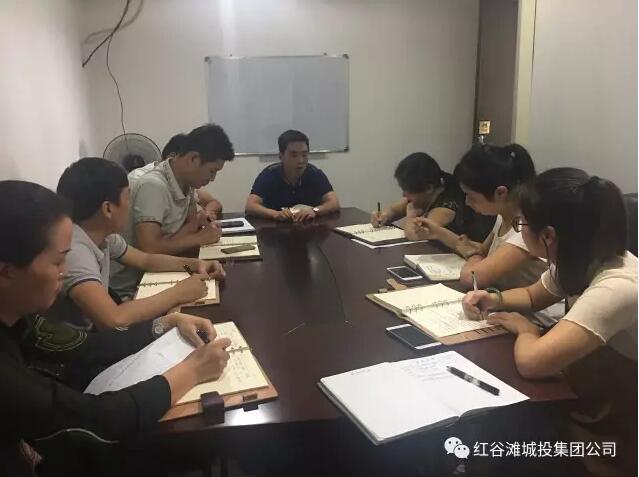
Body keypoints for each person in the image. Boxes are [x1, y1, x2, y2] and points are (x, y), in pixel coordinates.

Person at [0, 180, 231, 476]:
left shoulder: (20, 317)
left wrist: (165, 323)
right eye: (58, 262)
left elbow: (85, 345)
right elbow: (95, 420)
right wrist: (192, 371)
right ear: (5, 271)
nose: (65, 272)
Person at [461, 168, 637, 476]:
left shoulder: (617, 286)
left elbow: (532, 362)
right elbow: (532, 296)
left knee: (499, 434)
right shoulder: (577, 258)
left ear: (548, 235)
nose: (519, 230)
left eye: (522, 224)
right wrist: (493, 299)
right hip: (588, 395)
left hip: (616, 432)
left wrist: (526, 331)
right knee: (496, 425)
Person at [52, 157, 225, 329]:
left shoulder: (104, 236)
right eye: (128, 198)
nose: (130, 206)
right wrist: (179, 293)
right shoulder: (75, 250)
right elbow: (114, 319)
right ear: (108, 209)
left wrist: (196, 264)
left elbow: (146, 260)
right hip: (87, 340)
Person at [111, 124, 234, 298]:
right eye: (212, 171)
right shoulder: (153, 185)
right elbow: (150, 249)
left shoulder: (186, 183)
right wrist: (199, 238)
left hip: (164, 269)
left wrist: (197, 227)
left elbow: (188, 230)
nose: (212, 178)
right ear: (193, 159)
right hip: (134, 287)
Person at [411, 143, 546, 292]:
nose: (467, 202)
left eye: (471, 196)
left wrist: (473, 255)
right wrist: (437, 232)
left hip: (527, 307)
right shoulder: (504, 216)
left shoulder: (524, 231)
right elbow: (481, 250)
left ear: (500, 193)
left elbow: (471, 278)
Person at [245, 129, 340, 222]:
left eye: (304, 155)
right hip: (277, 228)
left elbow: (334, 202)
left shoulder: (314, 173)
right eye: (294, 155)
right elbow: (250, 206)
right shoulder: (270, 174)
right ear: (281, 156)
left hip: (308, 227)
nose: (300, 161)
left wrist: (315, 211)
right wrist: (274, 214)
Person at [370, 152, 466, 240]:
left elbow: (415, 235)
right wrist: (383, 216)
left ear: (428, 188)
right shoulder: (423, 196)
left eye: (408, 191)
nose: (404, 195)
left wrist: (411, 216)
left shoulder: (447, 207)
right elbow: (393, 210)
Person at [128, 133, 224, 219]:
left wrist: (207, 215)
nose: (212, 178)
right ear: (173, 157)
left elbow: (213, 203)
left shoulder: (184, 180)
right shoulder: (142, 180)